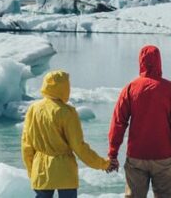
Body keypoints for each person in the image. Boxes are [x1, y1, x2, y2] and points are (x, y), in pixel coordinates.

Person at [108, 45, 171, 198]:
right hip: (164, 155)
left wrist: (113, 153)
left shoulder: (130, 88)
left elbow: (118, 123)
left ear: (141, 62)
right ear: (159, 62)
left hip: (136, 156)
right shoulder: (170, 89)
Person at [22, 70, 113, 198]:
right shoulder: (67, 112)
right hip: (65, 172)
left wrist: (32, 171)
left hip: (41, 170)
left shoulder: (33, 109)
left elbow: (26, 145)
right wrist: (103, 164)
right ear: (64, 87)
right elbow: (79, 147)